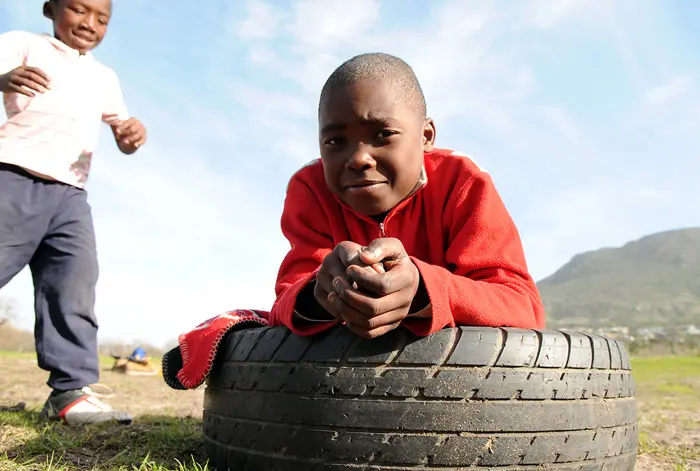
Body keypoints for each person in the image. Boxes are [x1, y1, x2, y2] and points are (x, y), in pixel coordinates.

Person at [269, 52, 545, 339]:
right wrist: (321, 291)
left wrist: (423, 289)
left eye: (383, 134)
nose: (359, 158)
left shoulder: (462, 181)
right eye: (335, 141)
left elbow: (521, 305)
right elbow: (284, 306)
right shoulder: (311, 188)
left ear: (426, 136)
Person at [0, 0, 146, 425]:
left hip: (71, 194)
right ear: (51, 9)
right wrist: (3, 78)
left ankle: (70, 392)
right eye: (80, 10)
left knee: (74, 283)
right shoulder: (23, 44)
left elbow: (122, 128)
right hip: (14, 177)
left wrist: (131, 133)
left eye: (102, 18)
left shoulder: (103, 77)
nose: (90, 24)